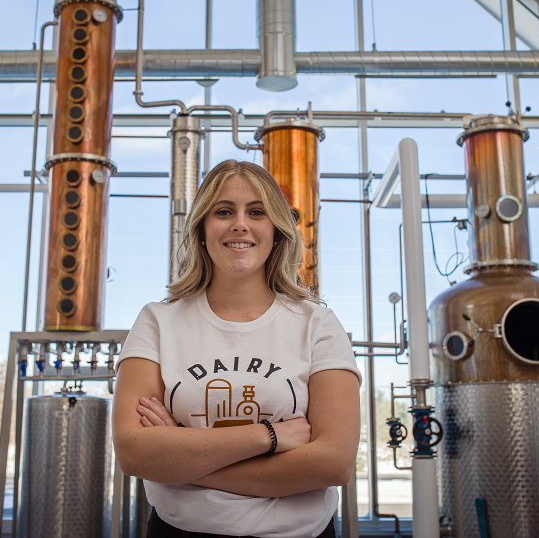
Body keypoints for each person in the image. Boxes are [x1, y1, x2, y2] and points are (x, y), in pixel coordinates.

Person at [112, 159, 362, 538]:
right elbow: (133, 452)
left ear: (276, 232)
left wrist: (182, 457)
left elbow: (333, 464)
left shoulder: (317, 324)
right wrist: (270, 436)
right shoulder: (158, 322)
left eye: (256, 212)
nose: (240, 224)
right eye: (224, 211)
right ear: (201, 230)